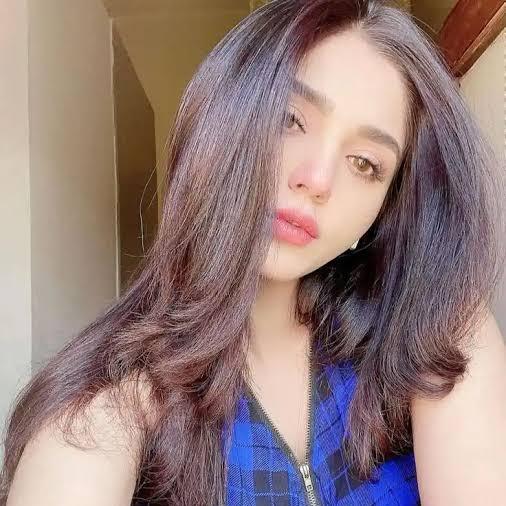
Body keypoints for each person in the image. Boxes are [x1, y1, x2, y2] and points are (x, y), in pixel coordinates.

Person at [2, 0, 505, 505]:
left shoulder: (436, 331)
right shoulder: (109, 411)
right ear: (223, 119)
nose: (318, 179)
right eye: (290, 119)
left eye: (365, 164)